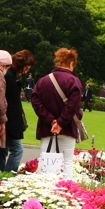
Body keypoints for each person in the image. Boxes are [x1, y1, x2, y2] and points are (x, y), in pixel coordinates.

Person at [30, 47, 84, 177]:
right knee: (66, 163)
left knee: (46, 163)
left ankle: (44, 192)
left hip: (46, 127)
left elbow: (36, 102)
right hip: (67, 128)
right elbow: (72, 106)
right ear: (71, 63)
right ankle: (64, 192)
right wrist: (60, 122)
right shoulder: (74, 81)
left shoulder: (43, 80)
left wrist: (51, 120)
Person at [3, 50, 35, 173]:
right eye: (26, 67)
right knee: (17, 150)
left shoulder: (11, 76)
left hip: (10, 120)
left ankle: (4, 175)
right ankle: (8, 176)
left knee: (6, 149)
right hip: (10, 121)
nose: (26, 70)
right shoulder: (9, 77)